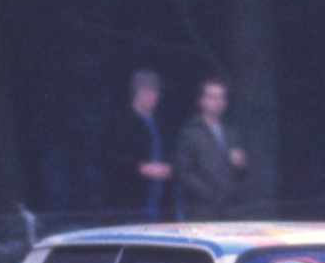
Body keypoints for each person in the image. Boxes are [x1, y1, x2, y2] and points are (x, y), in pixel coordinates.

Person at [103, 68, 174, 222]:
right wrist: (141, 168)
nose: (151, 97)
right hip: (130, 207)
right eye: (146, 91)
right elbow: (109, 159)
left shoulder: (161, 125)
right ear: (136, 92)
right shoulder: (121, 122)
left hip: (159, 206)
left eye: (154, 92)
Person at [174, 78, 248, 221]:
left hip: (232, 210)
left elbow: (243, 174)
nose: (217, 101)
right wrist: (210, 194)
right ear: (201, 101)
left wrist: (241, 165)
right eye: (212, 97)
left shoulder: (232, 132)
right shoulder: (190, 133)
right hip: (202, 211)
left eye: (221, 97)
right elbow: (183, 172)